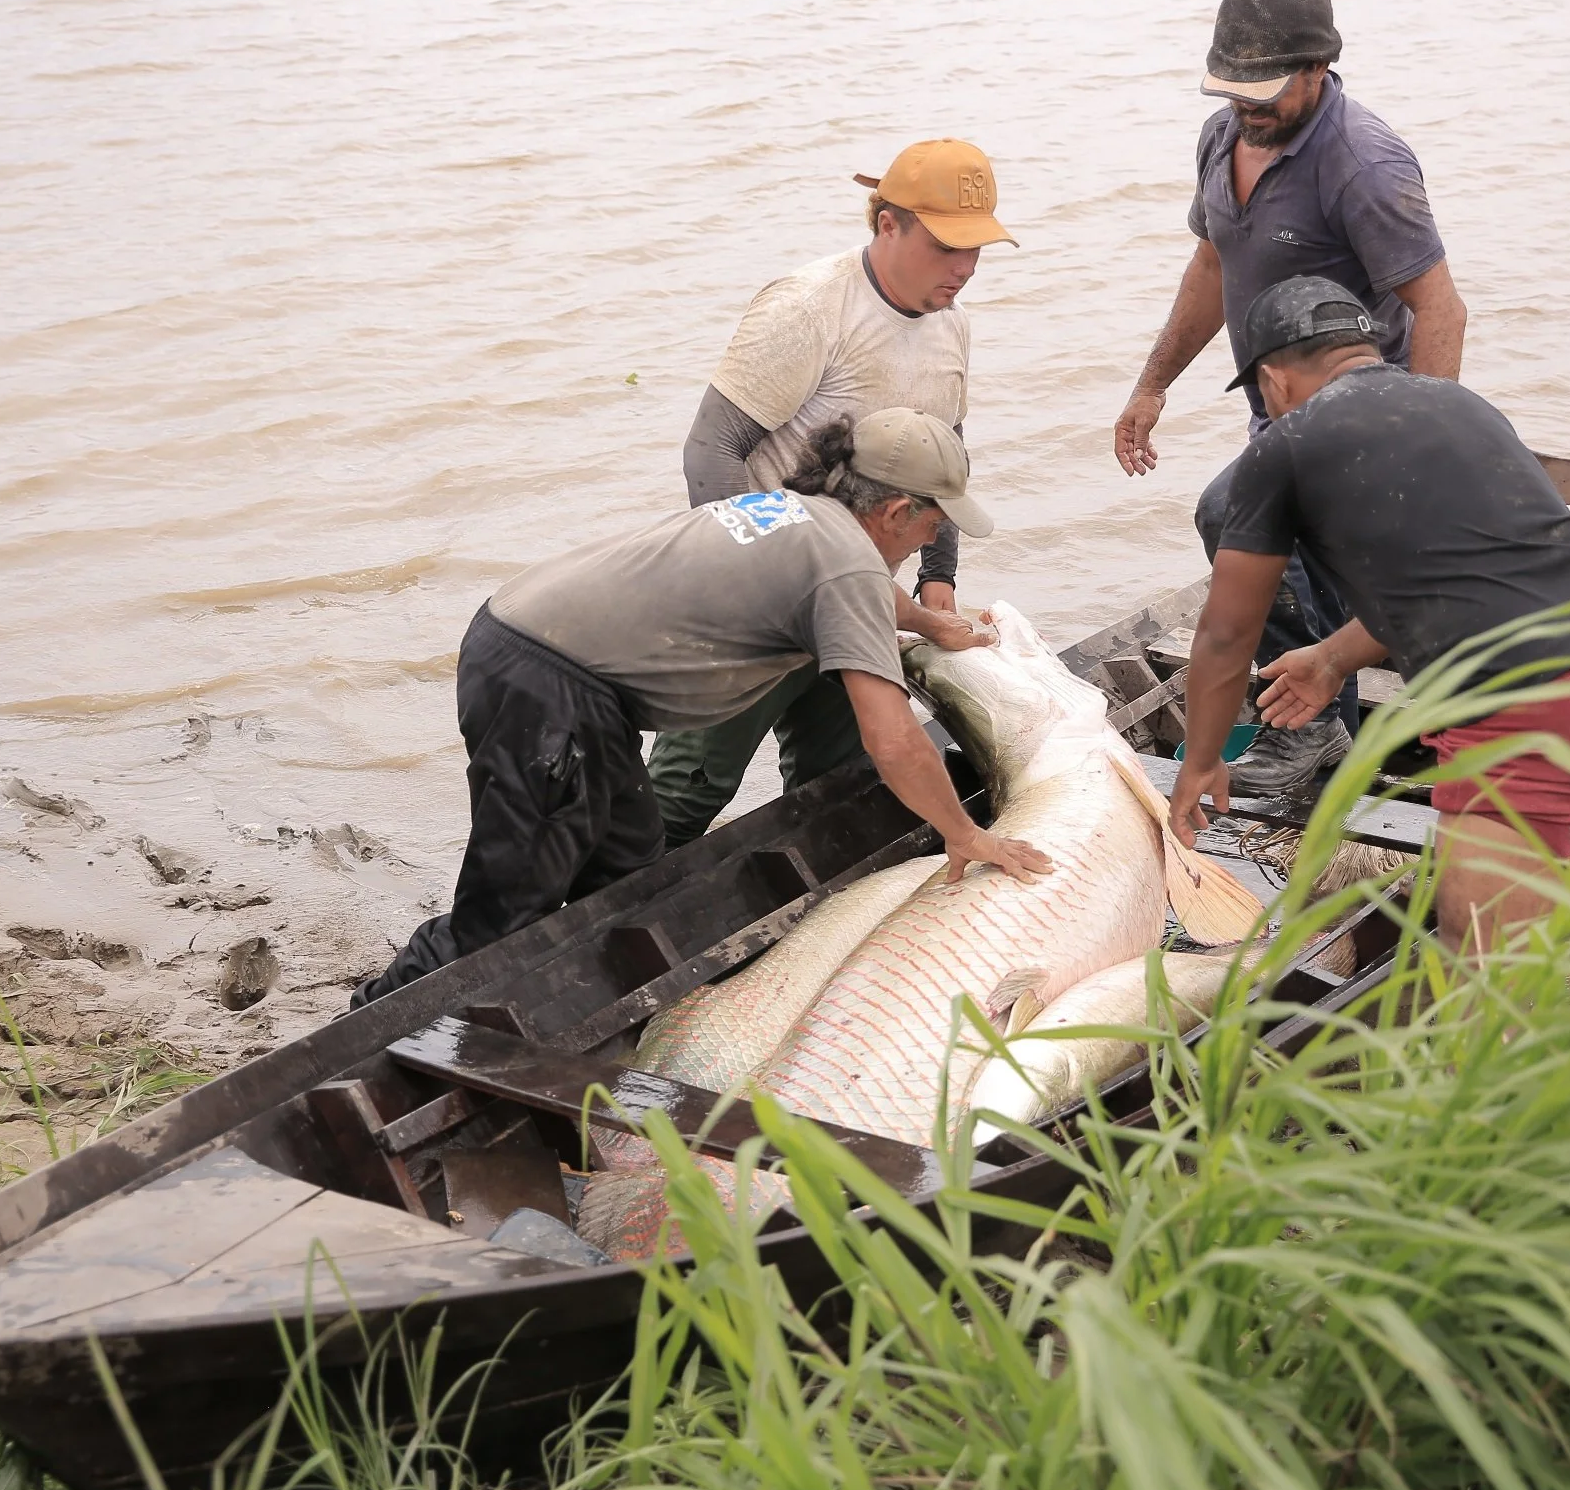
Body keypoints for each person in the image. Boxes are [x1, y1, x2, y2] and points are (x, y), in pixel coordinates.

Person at [353, 410, 1052, 1007]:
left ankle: (569, 1010)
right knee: (501, 918)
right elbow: (893, 738)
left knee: (630, 876)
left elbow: (859, 588)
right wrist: (967, 835)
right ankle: (353, 1039)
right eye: (933, 524)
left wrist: (928, 625)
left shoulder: (809, 516)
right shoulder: (847, 562)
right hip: (548, 687)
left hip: (549, 656)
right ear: (897, 511)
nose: (933, 540)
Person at [1166, 277, 1570, 951]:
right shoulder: (1460, 405)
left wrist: (1200, 764)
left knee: (1484, 947)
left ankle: (1500, 1046)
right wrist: (1329, 658)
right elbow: (1467, 572)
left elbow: (1226, 635)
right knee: (1511, 914)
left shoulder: (1283, 448)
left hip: (1531, 695)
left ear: (1272, 380)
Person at [1114, 0, 1469, 800]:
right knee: (1270, 554)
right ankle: (1319, 734)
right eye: (1233, 86)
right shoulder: (1222, 137)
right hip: (1275, 415)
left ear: (1318, 67)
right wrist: (1152, 383)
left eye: (1265, 88)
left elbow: (1441, 310)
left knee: (1282, 543)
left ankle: (1371, 733)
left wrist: (1416, 453)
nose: (1247, 105)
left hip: (1359, 420)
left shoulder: (1365, 165)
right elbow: (1213, 263)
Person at [652, 139, 1015, 850]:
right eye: (948, 247)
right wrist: (766, 578)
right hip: (753, 599)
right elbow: (710, 451)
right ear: (889, 225)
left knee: (842, 785)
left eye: (978, 250)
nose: (965, 269)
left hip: (854, 595)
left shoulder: (953, 325)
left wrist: (938, 582)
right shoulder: (812, 308)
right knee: (684, 793)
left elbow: (945, 467)